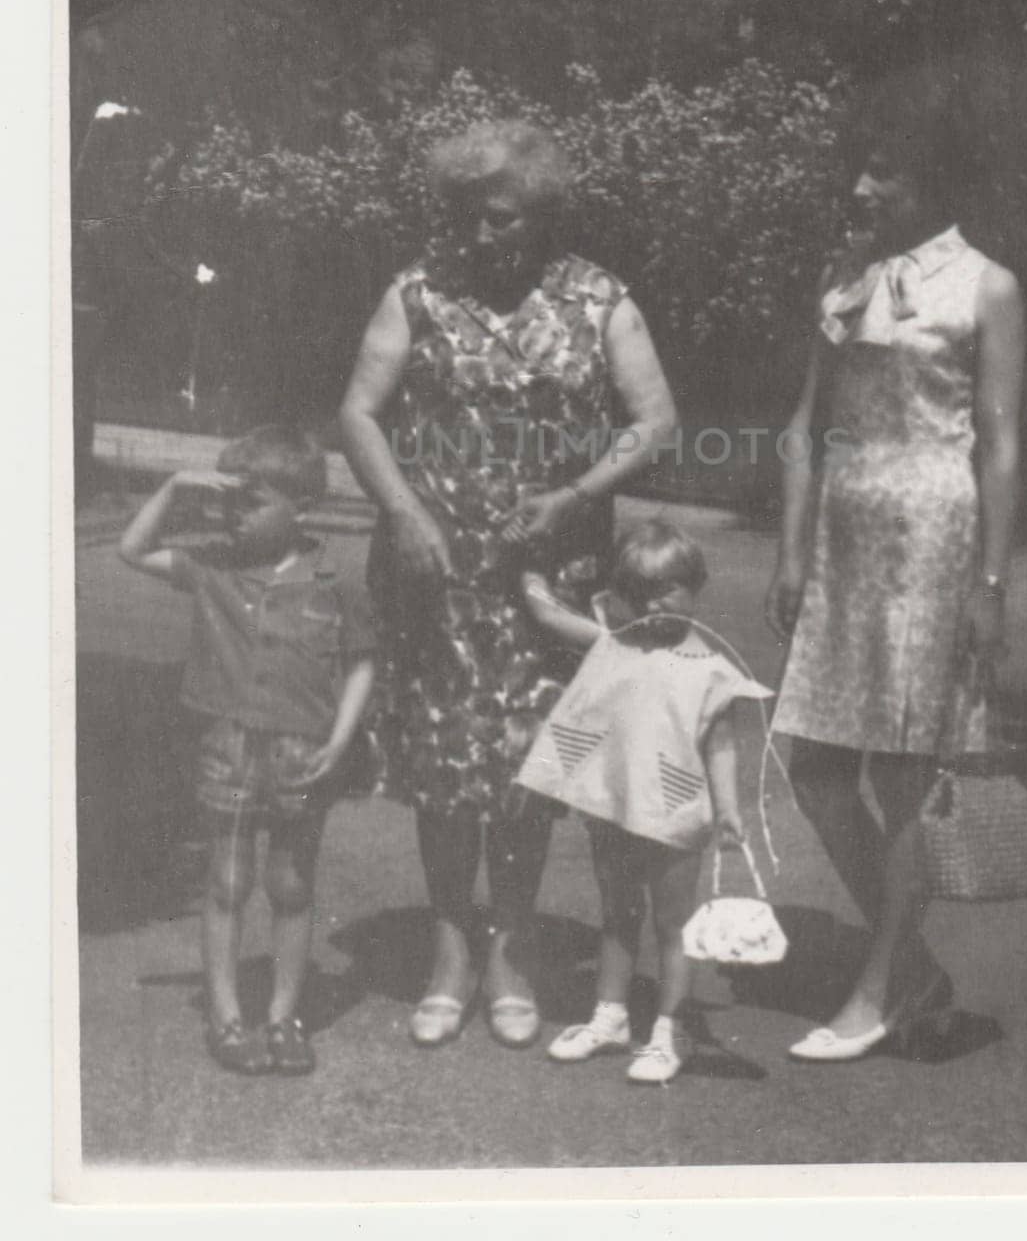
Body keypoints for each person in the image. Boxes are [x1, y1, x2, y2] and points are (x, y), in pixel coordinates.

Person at [339, 120, 677, 1049]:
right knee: (447, 764)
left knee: (531, 767)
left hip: (548, 574)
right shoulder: (417, 292)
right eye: (473, 218)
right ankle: (451, 945)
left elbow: (653, 422)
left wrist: (574, 495)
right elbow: (360, 414)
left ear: (544, 216)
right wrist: (405, 512)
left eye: (507, 219)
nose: (487, 236)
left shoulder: (599, 299)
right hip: (435, 572)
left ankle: (514, 949)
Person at [765, 80, 1025, 1061]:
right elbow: (805, 428)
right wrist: (792, 550)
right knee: (816, 767)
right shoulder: (843, 278)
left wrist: (989, 587)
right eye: (860, 167)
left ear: (935, 182)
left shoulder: (987, 285)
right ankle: (910, 967)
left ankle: (877, 988)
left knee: (908, 775)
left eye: (885, 170)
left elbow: (999, 448)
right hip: (842, 545)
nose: (863, 186)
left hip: (931, 542)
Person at [118, 427, 375, 1076]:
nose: (237, 516)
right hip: (226, 745)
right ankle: (228, 1016)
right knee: (227, 881)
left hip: (303, 749)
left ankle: (285, 1016)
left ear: (304, 507)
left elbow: (362, 665)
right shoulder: (211, 567)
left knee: (291, 884)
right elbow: (131, 548)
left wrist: (341, 740)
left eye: (253, 502)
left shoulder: (335, 578)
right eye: (232, 503)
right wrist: (177, 487)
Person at [514, 519, 772, 1084]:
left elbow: (722, 744)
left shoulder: (710, 669)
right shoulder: (614, 640)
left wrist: (729, 809)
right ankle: (610, 1016)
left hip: (676, 810)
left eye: (669, 588)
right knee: (617, 914)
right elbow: (551, 615)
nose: (654, 603)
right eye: (638, 591)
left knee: (672, 924)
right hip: (616, 803)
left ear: (696, 586)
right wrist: (530, 571)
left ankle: (670, 1028)